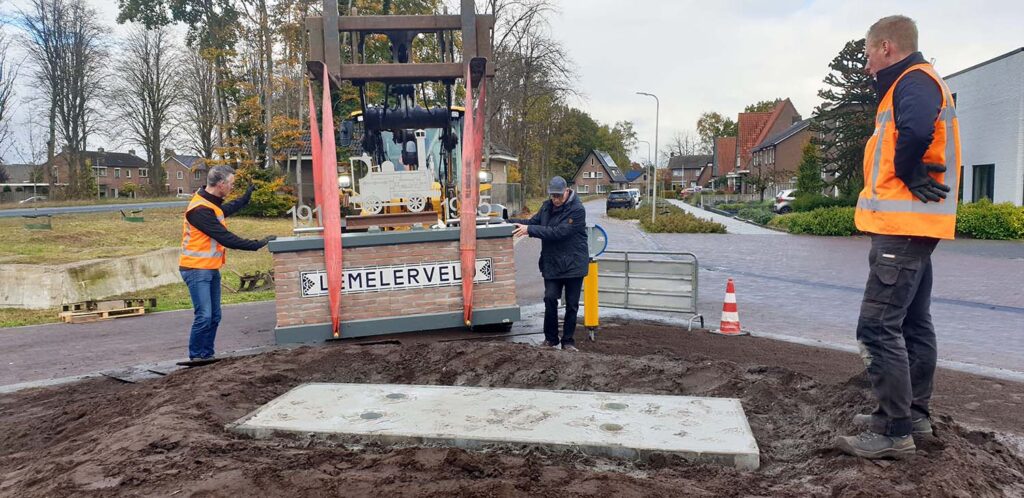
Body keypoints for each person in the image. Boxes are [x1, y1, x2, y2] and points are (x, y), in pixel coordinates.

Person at [836, 15, 961, 459]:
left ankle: (895, 432)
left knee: (877, 325)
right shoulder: (916, 83)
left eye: (869, 54)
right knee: (912, 322)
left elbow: (916, 130)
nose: (867, 64)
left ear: (886, 46)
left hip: (902, 230)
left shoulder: (913, 82)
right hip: (916, 228)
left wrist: (907, 171)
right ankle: (913, 416)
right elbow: (916, 131)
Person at [179, 166, 277, 362]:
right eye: (231, 184)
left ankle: (207, 354)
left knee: (215, 316)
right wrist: (257, 244)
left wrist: (246, 198)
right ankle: (196, 356)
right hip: (196, 269)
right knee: (204, 315)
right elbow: (226, 238)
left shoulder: (210, 204)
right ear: (221, 184)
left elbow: (226, 210)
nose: (232, 187)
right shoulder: (199, 210)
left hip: (210, 268)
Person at [510, 176, 589, 351]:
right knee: (550, 298)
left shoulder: (577, 210)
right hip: (552, 263)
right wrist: (509, 224)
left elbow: (559, 232)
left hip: (574, 264)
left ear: (566, 191)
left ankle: (568, 341)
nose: (555, 200)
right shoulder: (547, 206)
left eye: (558, 196)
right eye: (552, 196)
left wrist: (529, 231)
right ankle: (551, 339)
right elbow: (533, 222)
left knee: (572, 304)